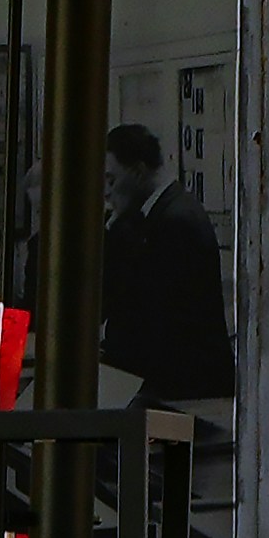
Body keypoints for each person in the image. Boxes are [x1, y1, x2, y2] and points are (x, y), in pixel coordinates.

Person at [92, 123, 240, 405]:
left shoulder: (175, 222)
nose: (106, 192)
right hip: (180, 382)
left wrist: (106, 338)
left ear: (137, 171)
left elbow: (155, 313)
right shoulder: (162, 214)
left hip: (191, 388)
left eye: (111, 179)